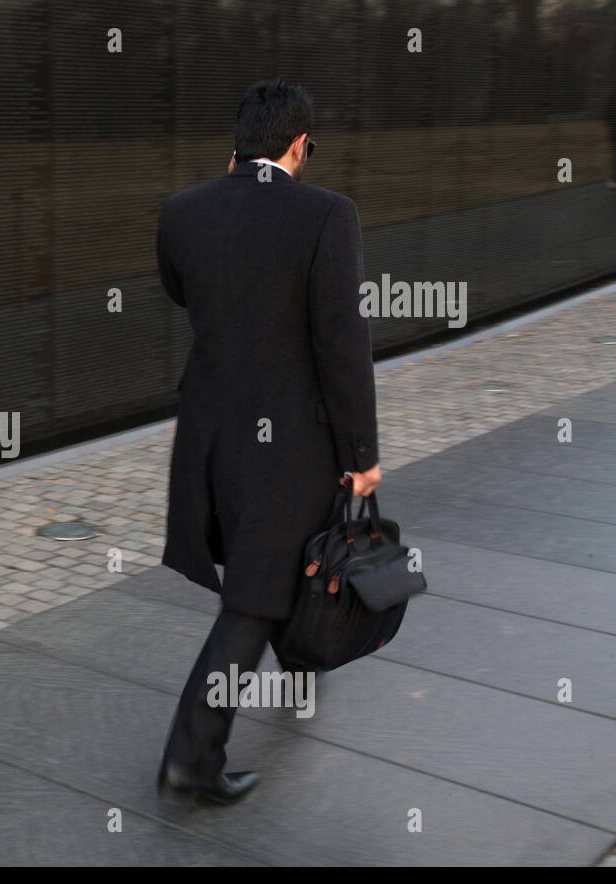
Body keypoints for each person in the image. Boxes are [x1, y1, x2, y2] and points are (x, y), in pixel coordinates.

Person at [154, 79, 381, 805]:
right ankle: (192, 757)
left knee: (272, 564)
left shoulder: (182, 212)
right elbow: (341, 343)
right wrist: (362, 454)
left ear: (236, 148)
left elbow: (182, 291)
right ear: (298, 146)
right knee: (252, 599)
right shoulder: (327, 216)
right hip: (287, 447)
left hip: (210, 437)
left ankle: (299, 658)